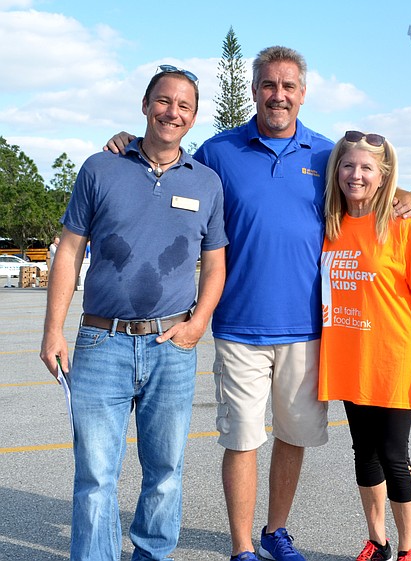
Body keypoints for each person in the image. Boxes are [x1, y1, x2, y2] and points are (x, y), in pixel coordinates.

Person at [106, 46, 411, 561]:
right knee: (242, 440)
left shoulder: (325, 153)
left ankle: (276, 531)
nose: (278, 95)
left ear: (303, 93)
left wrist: (407, 195)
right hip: (238, 328)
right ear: (253, 91)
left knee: (293, 438)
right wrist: (129, 143)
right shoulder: (220, 151)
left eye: (288, 86)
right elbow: (169, 163)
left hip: (306, 330)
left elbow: (367, 179)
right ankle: (242, 546)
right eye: (269, 85)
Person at [40, 65, 227, 561]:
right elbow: (69, 251)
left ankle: (152, 555)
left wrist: (198, 322)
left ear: (193, 118)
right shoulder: (100, 169)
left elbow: (215, 263)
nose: (172, 112)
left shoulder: (206, 182)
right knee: (96, 474)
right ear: (146, 106)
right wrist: (52, 330)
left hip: (171, 345)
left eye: (184, 105)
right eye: (163, 101)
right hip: (102, 342)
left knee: (166, 471)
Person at [319, 131, 411, 561]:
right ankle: (378, 540)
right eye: (348, 166)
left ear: (383, 175)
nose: (356, 175)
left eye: (368, 168)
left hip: (393, 361)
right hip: (349, 360)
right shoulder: (330, 223)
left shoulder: (402, 225)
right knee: (363, 453)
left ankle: (408, 548)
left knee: (393, 454)